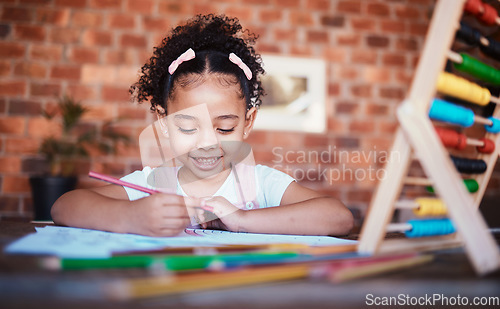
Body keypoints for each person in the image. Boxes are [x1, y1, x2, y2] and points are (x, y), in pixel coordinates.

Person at [51, 14, 353, 237]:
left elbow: (338, 217)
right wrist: (129, 217)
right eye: (187, 128)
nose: (207, 143)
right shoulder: (154, 185)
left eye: (224, 129)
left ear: (248, 123)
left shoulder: (261, 184)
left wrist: (240, 220)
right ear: (163, 121)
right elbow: (64, 206)